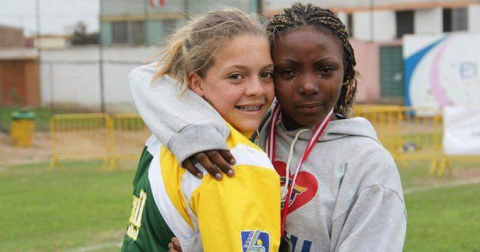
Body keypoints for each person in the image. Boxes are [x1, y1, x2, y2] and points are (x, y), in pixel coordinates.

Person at [130, 4, 407, 252]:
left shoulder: (369, 165)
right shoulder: (249, 126)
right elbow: (145, 79)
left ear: (345, 73)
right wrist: (193, 132)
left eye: (325, 70)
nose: (308, 86)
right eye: (287, 72)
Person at [121, 9, 281, 252]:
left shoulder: (162, 139)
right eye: (236, 76)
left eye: (266, 74)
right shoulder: (231, 160)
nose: (257, 89)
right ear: (197, 83)